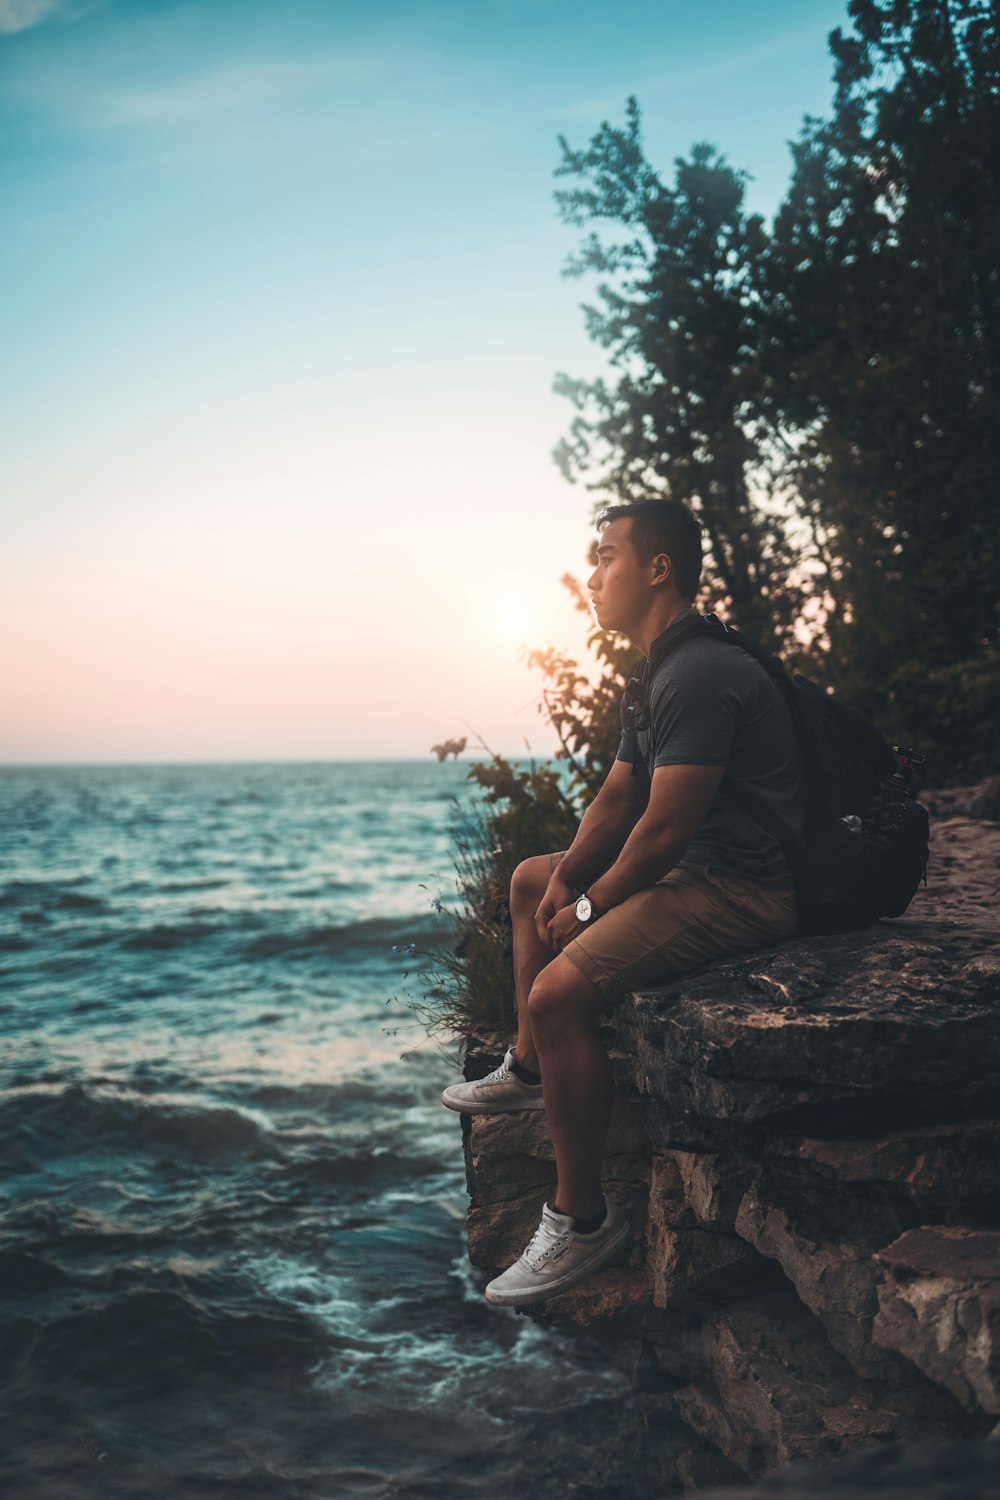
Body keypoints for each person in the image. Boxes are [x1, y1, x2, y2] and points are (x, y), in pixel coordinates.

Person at [442, 498, 805, 1307]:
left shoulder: (701, 671)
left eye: (606, 555)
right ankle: (533, 1064)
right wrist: (566, 876)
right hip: (698, 872)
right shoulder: (654, 670)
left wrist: (586, 912)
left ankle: (582, 1221)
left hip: (744, 889)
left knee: (559, 993)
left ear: (657, 568)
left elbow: (666, 830)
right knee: (531, 878)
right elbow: (618, 797)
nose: (591, 574)